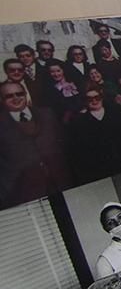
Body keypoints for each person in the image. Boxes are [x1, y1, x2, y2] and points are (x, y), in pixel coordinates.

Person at [0, 80, 71, 208]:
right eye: (9, 96)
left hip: (62, 184)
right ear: (2, 100)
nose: (16, 98)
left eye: (19, 94)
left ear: (25, 94)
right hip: (27, 193)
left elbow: (64, 145)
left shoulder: (47, 114)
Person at [68, 83, 121, 182]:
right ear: (85, 101)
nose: (94, 101)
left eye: (97, 97)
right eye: (90, 99)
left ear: (102, 97)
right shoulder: (80, 122)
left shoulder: (115, 112)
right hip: (99, 170)